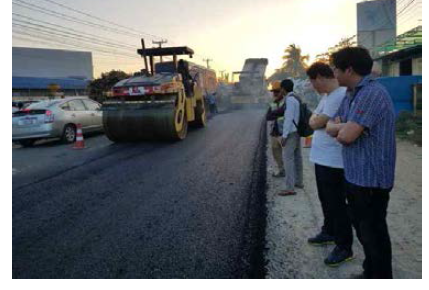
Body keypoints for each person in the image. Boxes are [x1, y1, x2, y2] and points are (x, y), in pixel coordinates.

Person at [326, 47, 396, 279]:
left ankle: (380, 277)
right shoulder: (351, 94)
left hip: (371, 180)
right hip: (355, 176)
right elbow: (331, 126)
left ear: (349, 69)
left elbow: (346, 136)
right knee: (365, 233)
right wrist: (340, 126)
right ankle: (371, 273)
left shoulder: (372, 93)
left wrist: (341, 127)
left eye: (336, 68)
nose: (333, 73)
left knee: (373, 233)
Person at [305, 62, 354, 267]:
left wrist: (319, 120)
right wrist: (319, 120)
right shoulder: (326, 97)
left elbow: (317, 122)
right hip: (321, 158)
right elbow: (312, 120)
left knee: (337, 204)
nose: (312, 86)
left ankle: (344, 246)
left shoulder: (341, 94)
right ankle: (329, 231)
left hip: (335, 161)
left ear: (319, 77)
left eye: (312, 81)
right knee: (325, 199)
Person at [278, 79, 304, 196]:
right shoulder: (296, 98)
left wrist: (284, 135)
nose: (280, 90)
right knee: (298, 157)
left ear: (283, 88)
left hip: (291, 133)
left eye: (281, 88)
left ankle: (290, 188)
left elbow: (288, 118)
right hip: (297, 131)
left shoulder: (289, 99)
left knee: (288, 159)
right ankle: (299, 182)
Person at [266, 81, 285, 177]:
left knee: (287, 153)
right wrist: (277, 114)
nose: (275, 94)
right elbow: (268, 116)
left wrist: (275, 114)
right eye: (274, 92)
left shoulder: (286, 102)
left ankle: (290, 172)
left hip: (284, 132)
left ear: (282, 91)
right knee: (275, 151)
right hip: (274, 131)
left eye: (277, 91)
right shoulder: (272, 103)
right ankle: (281, 169)